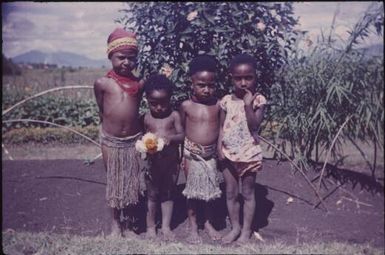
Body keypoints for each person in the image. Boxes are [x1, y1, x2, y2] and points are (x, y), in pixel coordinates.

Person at [93, 27, 145, 237]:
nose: (126, 62)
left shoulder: (139, 84)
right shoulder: (102, 84)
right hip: (110, 141)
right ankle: (115, 224)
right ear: (110, 57)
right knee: (114, 180)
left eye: (131, 58)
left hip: (133, 140)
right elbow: (101, 109)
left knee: (131, 180)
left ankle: (130, 223)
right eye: (121, 57)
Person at [218, 53, 267, 244]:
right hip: (229, 153)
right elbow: (222, 127)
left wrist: (247, 105)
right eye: (238, 78)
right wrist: (219, 147)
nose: (243, 82)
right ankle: (235, 227)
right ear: (231, 78)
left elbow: (254, 125)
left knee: (247, 193)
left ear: (255, 77)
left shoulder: (258, 101)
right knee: (230, 193)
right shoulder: (226, 101)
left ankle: (246, 230)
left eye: (248, 77)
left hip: (248, 154)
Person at [180, 55, 223, 244]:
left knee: (209, 193)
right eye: (201, 85)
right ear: (192, 83)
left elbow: (221, 129)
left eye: (211, 85)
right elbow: (181, 131)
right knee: (193, 192)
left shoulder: (218, 105)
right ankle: (192, 225)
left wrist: (220, 149)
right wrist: (181, 155)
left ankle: (207, 222)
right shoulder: (186, 106)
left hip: (211, 155)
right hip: (192, 155)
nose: (207, 90)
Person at [142, 74, 184, 241]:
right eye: (154, 103)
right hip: (152, 164)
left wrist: (170, 139)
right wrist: (144, 146)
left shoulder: (174, 116)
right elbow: (140, 138)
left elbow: (182, 135)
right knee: (152, 195)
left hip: (170, 163)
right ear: (147, 100)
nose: (159, 107)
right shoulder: (146, 118)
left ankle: (166, 226)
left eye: (163, 103)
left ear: (170, 99)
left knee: (168, 193)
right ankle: (150, 226)